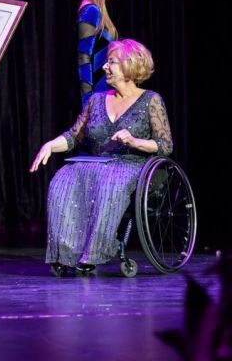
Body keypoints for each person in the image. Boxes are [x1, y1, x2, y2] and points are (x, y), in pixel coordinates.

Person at [30, 39, 173, 271]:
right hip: (96, 163)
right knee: (62, 179)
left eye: (112, 62)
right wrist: (50, 145)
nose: (105, 67)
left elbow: (165, 145)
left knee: (110, 182)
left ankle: (94, 252)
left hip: (132, 165)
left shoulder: (151, 100)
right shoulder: (96, 100)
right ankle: (66, 253)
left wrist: (135, 141)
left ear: (130, 65)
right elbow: (74, 136)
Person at [77, 0, 120, 106]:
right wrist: (88, 101)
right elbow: (84, 58)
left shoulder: (98, 12)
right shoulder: (91, 11)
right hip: (97, 96)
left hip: (106, 92)